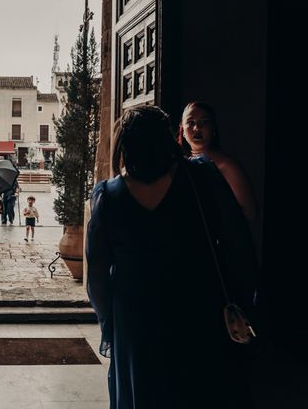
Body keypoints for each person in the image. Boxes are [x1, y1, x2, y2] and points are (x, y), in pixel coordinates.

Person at [86, 106, 258, 409]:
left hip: (135, 316)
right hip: (198, 305)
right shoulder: (203, 177)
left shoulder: (108, 196)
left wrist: (109, 322)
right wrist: (241, 298)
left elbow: (97, 273)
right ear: (169, 138)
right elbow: (237, 242)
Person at [179, 101, 257, 222]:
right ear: (183, 131)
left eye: (204, 122)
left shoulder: (226, 165)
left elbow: (250, 213)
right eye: (191, 122)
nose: (197, 127)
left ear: (213, 127)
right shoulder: (180, 164)